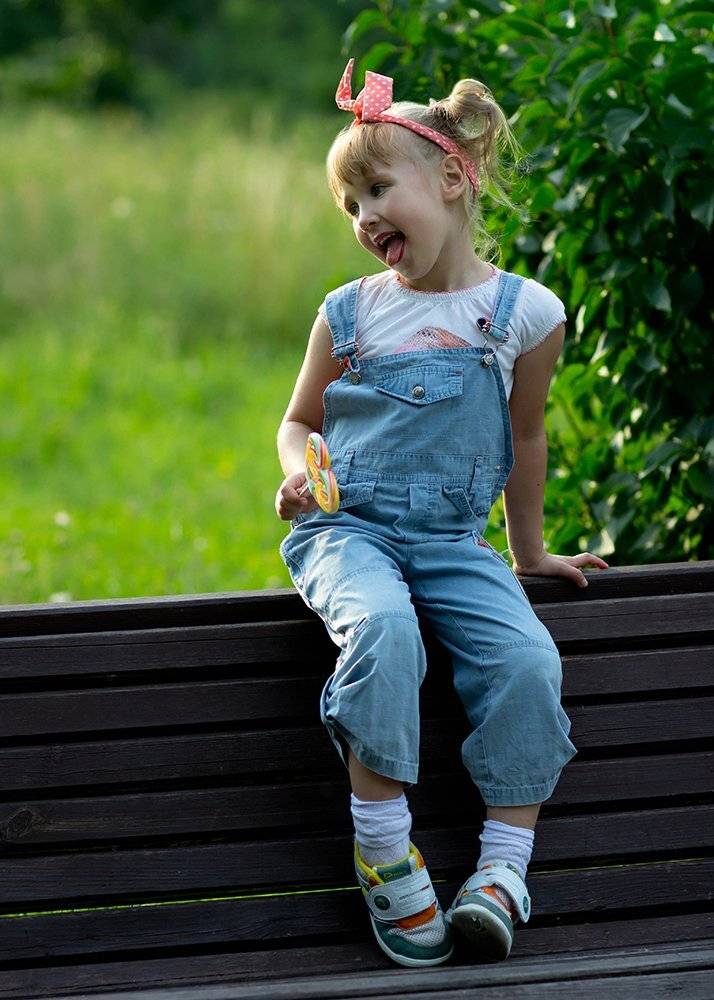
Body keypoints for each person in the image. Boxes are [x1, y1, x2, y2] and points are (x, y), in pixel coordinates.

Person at [275, 58, 608, 969]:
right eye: (350, 206)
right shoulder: (350, 314)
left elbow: (526, 438)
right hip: (348, 530)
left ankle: (503, 869)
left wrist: (529, 554)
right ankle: (385, 849)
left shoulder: (524, 314)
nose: (363, 218)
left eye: (378, 190)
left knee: (528, 659)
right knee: (384, 629)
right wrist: (300, 474)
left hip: (453, 539)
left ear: (453, 179)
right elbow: (300, 421)